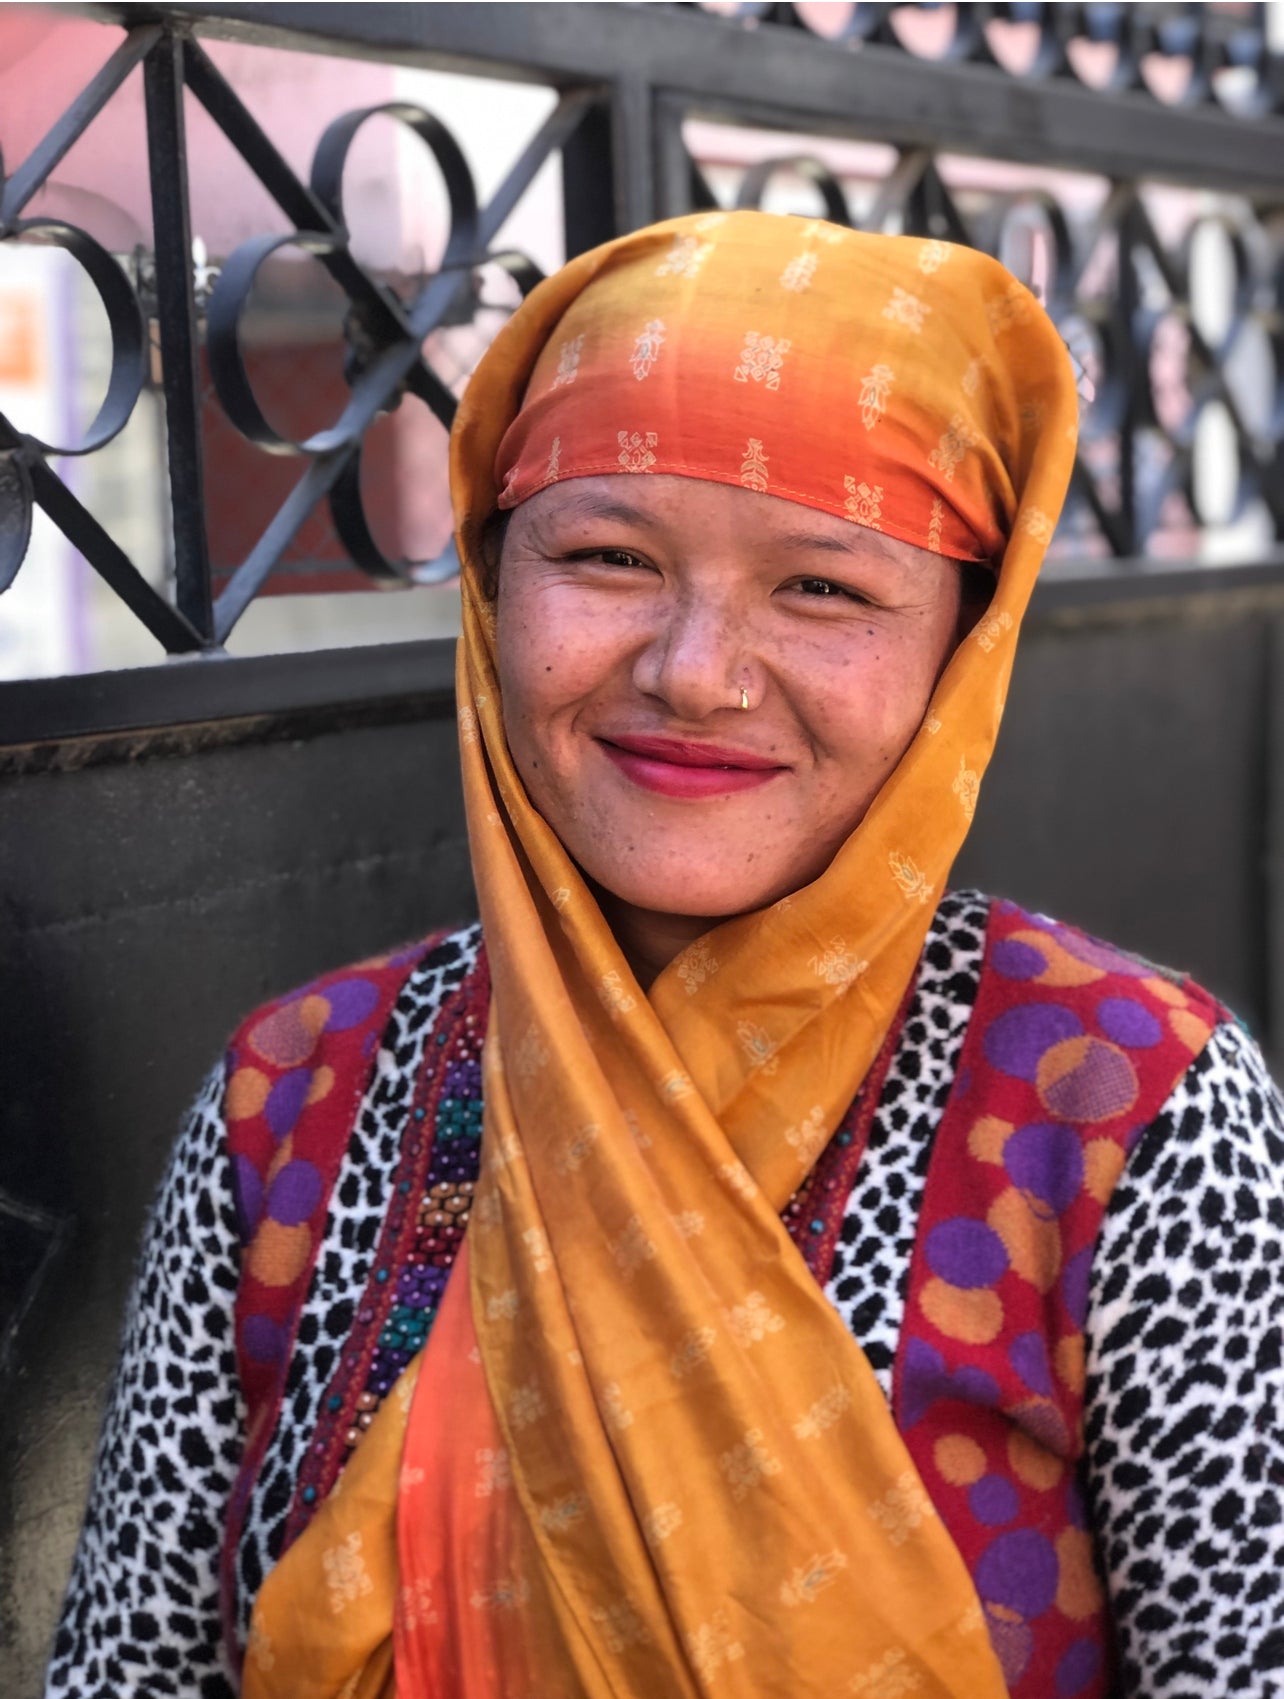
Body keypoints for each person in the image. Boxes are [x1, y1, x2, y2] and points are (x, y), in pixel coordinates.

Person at [46, 212, 1284, 1699]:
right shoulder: (297, 1098)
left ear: (962, 644)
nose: (695, 671)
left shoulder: (1123, 1106)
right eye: (611, 556)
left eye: (822, 586)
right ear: (498, 591)